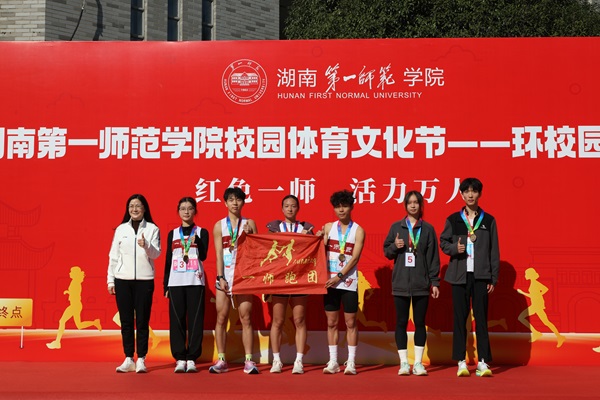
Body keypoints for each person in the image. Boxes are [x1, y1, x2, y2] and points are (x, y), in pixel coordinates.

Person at [440, 178, 499, 377]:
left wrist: (493, 277)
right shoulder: (454, 219)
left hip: (481, 276)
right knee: (459, 319)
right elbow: (443, 242)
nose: (470, 195)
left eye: (474, 191)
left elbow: (494, 250)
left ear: (479, 194)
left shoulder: (488, 220)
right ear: (461, 194)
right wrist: (454, 248)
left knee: (481, 319)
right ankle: (460, 361)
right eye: (467, 191)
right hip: (459, 276)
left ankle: (482, 362)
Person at [383, 191, 440, 376]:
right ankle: (403, 363)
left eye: (416, 202)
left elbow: (433, 258)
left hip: (421, 284)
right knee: (401, 322)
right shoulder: (396, 227)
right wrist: (395, 246)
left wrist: (434, 282)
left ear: (421, 205)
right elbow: (387, 251)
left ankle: (418, 363)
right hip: (400, 284)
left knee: (420, 323)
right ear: (405, 205)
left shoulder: (428, 229)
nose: (413, 206)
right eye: (410, 203)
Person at [107, 194, 161, 373]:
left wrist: (146, 245)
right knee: (126, 321)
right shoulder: (121, 229)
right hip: (122, 280)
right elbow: (113, 256)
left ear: (144, 208)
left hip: (145, 281)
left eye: (138, 206)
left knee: (143, 321)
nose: (134, 209)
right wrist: (110, 280)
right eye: (131, 206)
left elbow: (156, 254)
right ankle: (128, 358)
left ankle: (142, 359)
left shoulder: (153, 228)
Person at [209, 187, 259, 374]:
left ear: (243, 202)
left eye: (238, 199)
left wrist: (250, 235)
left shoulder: (250, 223)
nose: (235, 203)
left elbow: (257, 251)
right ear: (225, 203)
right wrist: (220, 276)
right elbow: (218, 254)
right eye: (231, 200)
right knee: (221, 318)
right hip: (225, 277)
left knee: (246, 318)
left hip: (244, 277)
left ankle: (249, 360)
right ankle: (221, 359)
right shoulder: (219, 226)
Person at [265, 194, 314, 375]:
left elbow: (313, 252)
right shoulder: (274, 228)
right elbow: (266, 251)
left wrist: (312, 237)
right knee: (278, 320)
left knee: (299, 320)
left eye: (293, 206)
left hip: (299, 278)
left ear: (298, 208)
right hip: (280, 280)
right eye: (287, 206)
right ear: (282, 209)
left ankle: (299, 360)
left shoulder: (306, 228)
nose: (290, 209)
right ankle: (276, 360)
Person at [319, 190, 365, 375]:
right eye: (337, 207)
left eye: (344, 206)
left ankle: (351, 362)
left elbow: (355, 259)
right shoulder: (328, 227)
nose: (341, 210)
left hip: (348, 282)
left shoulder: (358, 230)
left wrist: (339, 276)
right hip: (329, 283)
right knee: (331, 322)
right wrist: (316, 236)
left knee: (350, 322)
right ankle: (333, 361)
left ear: (351, 207)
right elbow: (318, 250)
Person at [163, 197, 210, 373]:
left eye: (190, 208)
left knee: (195, 321)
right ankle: (180, 358)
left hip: (195, 281)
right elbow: (168, 260)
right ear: (178, 212)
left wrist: (198, 240)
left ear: (195, 211)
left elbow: (203, 256)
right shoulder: (173, 234)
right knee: (177, 320)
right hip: (175, 282)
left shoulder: (202, 232)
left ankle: (192, 358)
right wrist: (165, 285)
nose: (186, 212)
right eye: (183, 208)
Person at [46, 266, 102, 349]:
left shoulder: (75, 283)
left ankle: (57, 342)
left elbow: (75, 294)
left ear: (75, 274)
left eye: (71, 272)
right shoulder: (75, 282)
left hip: (74, 305)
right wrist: (68, 292)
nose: (69, 273)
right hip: (75, 305)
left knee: (62, 321)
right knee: (79, 325)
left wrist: (70, 294)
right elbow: (74, 293)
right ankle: (94, 322)